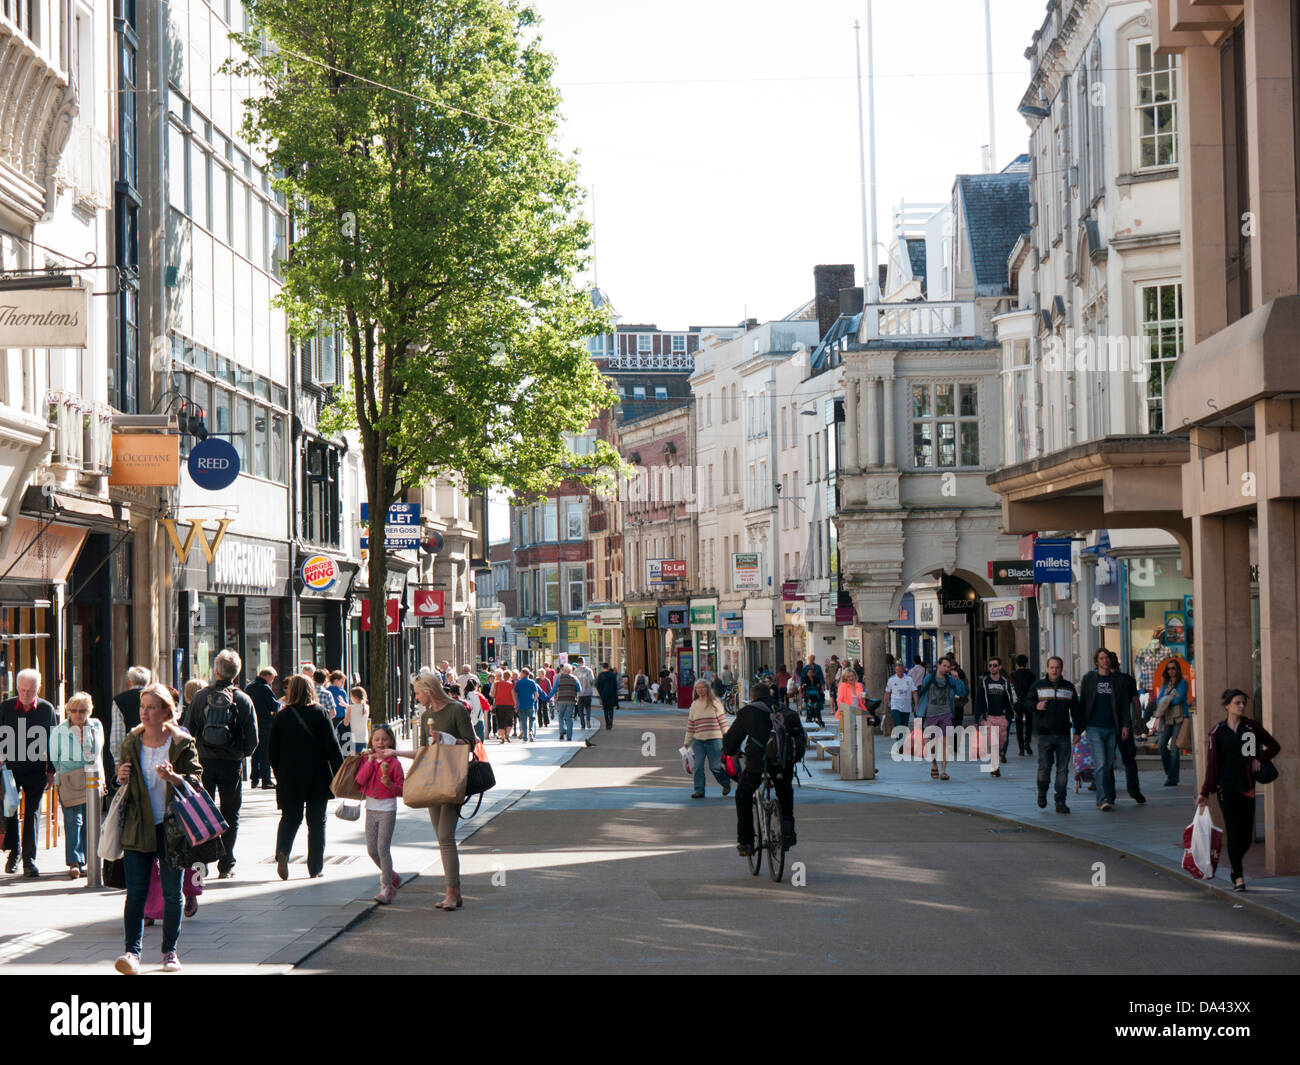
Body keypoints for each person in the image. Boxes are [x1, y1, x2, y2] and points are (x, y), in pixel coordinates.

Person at [113, 684, 201, 975]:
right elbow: (121, 779)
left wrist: (175, 778)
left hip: (172, 826)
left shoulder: (181, 743)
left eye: (152, 707)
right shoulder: (131, 742)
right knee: (136, 893)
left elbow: (196, 781)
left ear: (166, 710)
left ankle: (169, 952)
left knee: (172, 893)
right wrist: (120, 775)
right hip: (138, 825)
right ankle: (131, 953)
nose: (145, 713)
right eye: (142, 707)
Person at [185, 650, 258, 878]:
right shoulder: (243, 699)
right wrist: (240, 753)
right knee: (230, 813)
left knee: (202, 811)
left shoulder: (199, 697)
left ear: (215, 671)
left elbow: (187, 732)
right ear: (235, 674)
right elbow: (253, 738)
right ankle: (226, 863)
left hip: (203, 762)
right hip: (230, 763)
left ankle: (201, 861)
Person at [1198, 689, 1281, 891]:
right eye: (1237, 703)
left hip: (1246, 786)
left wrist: (1258, 760)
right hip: (1225, 788)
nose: (1241, 706)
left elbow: (1274, 746)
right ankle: (1238, 875)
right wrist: (1204, 792)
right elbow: (1212, 765)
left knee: (1245, 837)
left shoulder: (1251, 728)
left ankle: (1236, 868)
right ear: (1227, 706)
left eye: (1243, 703)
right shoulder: (1218, 731)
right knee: (1234, 833)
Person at [269, 674, 344, 881]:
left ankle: (283, 851)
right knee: (317, 822)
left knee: (290, 817)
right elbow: (333, 747)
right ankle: (315, 867)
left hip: (289, 777)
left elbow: (271, 751)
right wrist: (340, 773)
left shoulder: (281, 717)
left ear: (291, 691)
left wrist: (279, 773)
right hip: (317, 776)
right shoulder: (320, 713)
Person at [411, 671, 475, 910]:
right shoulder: (426, 715)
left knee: (446, 836)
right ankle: (455, 892)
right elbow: (422, 750)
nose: (416, 698)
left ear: (428, 690)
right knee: (441, 837)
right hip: (432, 777)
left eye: (418, 693)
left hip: (452, 778)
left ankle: (450, 891)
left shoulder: (456, 710)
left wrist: (446, 738)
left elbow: (470, 742)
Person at [722, 683, 805, 855]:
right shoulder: (782, 708)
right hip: (783, 762)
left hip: (757, 764)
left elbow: (731, 739)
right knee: (785, 792)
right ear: (771, 693)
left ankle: (746, 842)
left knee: (743, 794)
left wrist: (732, 752)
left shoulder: (748, 712)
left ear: (752, 697)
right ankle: (788, 832)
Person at [0, 669, 56, 877]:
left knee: (32, 813)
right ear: (17, 688)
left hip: (36, 770)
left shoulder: (46, 709)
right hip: (10, 770)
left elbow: (52, 742)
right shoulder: (5, 707)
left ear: (38, 689)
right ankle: (14, 852)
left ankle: (29, 860)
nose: (25, 695)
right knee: (11, 812)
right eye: (22, 690)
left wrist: (51, 771)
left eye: (30, 691)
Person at [50, 691, 103, 879]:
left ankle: (89, 860)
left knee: (91, 821)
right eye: (73, 710)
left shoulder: (96, 726)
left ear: (89, 711)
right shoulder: (59, 730)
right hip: (69, 779)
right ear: (68, 711)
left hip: (91, 778)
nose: (78, 714)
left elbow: (98, 753)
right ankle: (74, 862)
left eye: (82, 710)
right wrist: (59, 781)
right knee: (74, 821)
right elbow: (54, 757)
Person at [356, 723, 404, 904]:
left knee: (383, 848)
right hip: (371, 808)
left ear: (391, 741)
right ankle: (392, 876)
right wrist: (369, 762)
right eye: (376, 739)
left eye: (384, 739)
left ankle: (386, 887)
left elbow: (402, 789)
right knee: (372, 850)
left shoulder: (394, 763)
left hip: (387, 809)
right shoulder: (368, 760)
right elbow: (360, 780)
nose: (380, 742)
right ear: (371, 741)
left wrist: (390, 786)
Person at [1029, 657, 1081, 814]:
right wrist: (1036, 705)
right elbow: (1025, 704)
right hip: (1045, 735)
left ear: (1062, 669)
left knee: (1063, 770)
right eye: (1052, 667)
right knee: (1044, 768)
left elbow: (1077, 711)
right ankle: (1042, 792)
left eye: (1057, 667)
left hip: (1063, 734)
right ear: (1047, 668)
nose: (1054, 670)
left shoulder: (1069, 687)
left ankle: (1060, 801)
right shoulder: (1038, 686)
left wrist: (1078, 731)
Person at [1079, 648, 1127, 811]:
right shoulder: (1089, 678)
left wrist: (1125, 725)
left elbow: (1123, 705)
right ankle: (1102, 799)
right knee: (1100, 764)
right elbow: (1083, 703)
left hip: (1112, 727)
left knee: (1107, 765)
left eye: (1106, 658)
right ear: (1096, 661)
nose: (1105, 660)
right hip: (1094, 727)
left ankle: (1107, 794)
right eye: (1101, 658)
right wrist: (1078, 729)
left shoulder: (1117, 680)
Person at [916, 659, 966, 781]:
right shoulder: (929, 678)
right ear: (938, 665)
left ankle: (943, 771)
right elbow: (923, 694)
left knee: (945, 742)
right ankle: (934, 764)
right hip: (931, 714)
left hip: (946, 713)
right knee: (932, 743)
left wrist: (957, 679)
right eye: (944, 666)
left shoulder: (950, 679)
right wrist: (919, 713)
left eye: (948, 667)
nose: (946, 669)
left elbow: (962, 692)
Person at [1107, 651, 1146, 804]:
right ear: (1118, 663)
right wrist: (1138, 723)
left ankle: (1110, 795)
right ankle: (1134, 789)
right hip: (1125, 725)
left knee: (1108, 760)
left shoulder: (1102, 680)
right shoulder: (1128, 679)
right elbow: (1136, 702)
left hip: (1108, 726)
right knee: (1129, 759)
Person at [105, 666, 150, 790]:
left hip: (131, 754)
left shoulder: (119, 700)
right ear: (149, 682)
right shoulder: (157, 697)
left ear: (129, 682)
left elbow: (117, 734)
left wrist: (118, 760)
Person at [684, 680, 731, 799]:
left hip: (714, 740)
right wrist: (687, 742)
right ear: (695, 690)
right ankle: (699, 790)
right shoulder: (694, 704)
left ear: (707, 689)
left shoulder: (715, 702)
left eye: (702, 687)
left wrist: (728, 737)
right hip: (698, 741)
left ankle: (726, 783)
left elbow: (723, 722)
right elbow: (691, 725)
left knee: (715, 766)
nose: (700, 690)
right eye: (698, 688)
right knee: (698, 766)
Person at [973, 656, 1017, 778]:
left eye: (995, 665)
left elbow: (1009, 700)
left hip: (1002, 718)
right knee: (993, 743)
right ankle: (995, 767)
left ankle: (997, 761)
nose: (992, 668)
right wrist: (977, 719)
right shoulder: (984, 682)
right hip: (989, 717)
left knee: (1001, 743)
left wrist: (1010, 715)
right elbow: (979, 701)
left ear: (1000, 667)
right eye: (990, 665)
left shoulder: (1004, 682)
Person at [1151, 659, 1190, 786]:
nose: (1171, 671)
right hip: (1167, 718)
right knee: (1161, 744)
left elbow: (1179, 699)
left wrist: (1166, 701)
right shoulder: (1165, 684)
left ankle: (1172, 778)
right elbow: (1158, 700)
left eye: (1173, 668)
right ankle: (1171, 772)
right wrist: (1167, 700)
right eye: (1168, 669)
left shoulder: (1182, 683)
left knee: (1174, 748)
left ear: (1177, 669)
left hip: (1180, 717)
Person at [245, 667, 278, 789]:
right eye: (273, 678)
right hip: (264, 724)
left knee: (255, 752)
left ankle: (254, 778)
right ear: (268, 676)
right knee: (265, 753)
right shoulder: (265, 688)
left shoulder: (249, 686)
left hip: (252, 724)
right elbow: (274, 706)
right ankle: (266, 779)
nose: (272, 681)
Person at [1010, 655, 1036, 756]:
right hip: (1028, 702)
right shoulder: (1031, 675)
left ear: (1017, 663)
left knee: (1019, 726)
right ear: (1027, 662)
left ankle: (1021, 748)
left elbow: (1011, 689)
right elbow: (1034, 689)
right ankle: (1027, 742)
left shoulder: (1013, 675)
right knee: (1029, 723)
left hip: (1017, 703)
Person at [885, 660, 917, 729]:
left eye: (901, 671)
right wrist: (885, 707)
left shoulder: (909, 679)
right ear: (895, 670)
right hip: (895, 706)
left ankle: (900, 739)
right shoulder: (891, 679)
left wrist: (916, 705)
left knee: (904, 727)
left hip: (906, 706)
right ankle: (900, 739)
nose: (900, 672)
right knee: (898, 725)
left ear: (903, 670)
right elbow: (887, 694)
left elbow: (914, 692)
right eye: (898, 671)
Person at [552, 664, 580, 741]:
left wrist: (548, 697)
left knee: (560, 716)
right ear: (570, 671)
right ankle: (569, 736)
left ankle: (562, 731)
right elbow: (579, 689)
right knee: (569, 718)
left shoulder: (559, 678)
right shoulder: (575, 678)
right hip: (571, 700)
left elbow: (554, 689)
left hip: (561, 700)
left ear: (564, 670)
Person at [490, 669, 517, 743]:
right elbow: (513, 695)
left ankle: (502, 737)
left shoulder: (497, 684)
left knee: (500, 721)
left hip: (499, 704)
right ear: (510, 677)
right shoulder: (511, 685)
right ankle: (507, 734)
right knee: (509, 721)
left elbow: (492, 694)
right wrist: (515, 705)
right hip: (509, 705)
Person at [514, 667, 540, 742]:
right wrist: (533, 701)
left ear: (523, 674)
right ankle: (531, 732)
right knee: (532, 719)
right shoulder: (532, 682)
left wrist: (516, 704)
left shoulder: (518, 683)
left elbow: (515, 693)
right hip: (530, 704)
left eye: (521, 673)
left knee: (523, 721)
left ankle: (525, 738)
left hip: (521, 704)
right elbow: (536, 694)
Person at [800, 654, 826, 725]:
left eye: (812, 658)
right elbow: (802, 678)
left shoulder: (818, 667)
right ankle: (809, 715)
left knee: (819, 696)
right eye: (810, 658)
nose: (811, 660)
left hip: (816, 689)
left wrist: (822, 685)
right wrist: (801, 686)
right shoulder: (805, 668)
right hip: (808, 690)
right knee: (808, 698)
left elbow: (821, 677)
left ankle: (818, 715)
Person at [595, 662, 620, 730]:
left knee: (605, 710)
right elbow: (615, 685)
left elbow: (598, 686)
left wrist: (600, 694)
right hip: (611, 694)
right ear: (608, 667)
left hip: (604, 695)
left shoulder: (600, 675)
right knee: (611, 709)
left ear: (603, 667)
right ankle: (611, 722)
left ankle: (607, 724)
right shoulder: (612, 674)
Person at [346, 685, 370, 754]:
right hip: (364, 738)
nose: (350, 698)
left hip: (353, 738)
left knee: (353, 761)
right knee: (362, 760)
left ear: (355, 697)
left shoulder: (350, 708)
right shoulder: (366, 707)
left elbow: (346, 723)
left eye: (351, 696)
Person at [573, 656, 596, 726]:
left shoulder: (575, 671)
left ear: (578, 662)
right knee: (588, 707)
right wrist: (591, 686)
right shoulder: (589, 670)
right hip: (588, 692)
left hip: (579, 694)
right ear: (584, 662)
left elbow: (573, 682)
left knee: (580, 709)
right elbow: (592, 680)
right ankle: (588, 720)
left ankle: (583, 725)